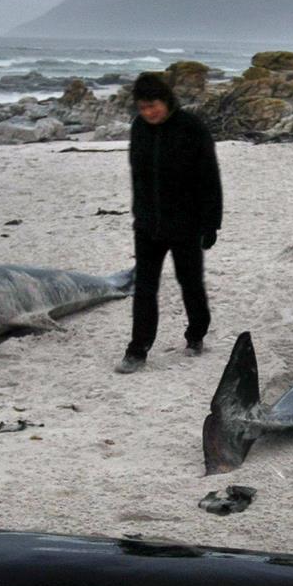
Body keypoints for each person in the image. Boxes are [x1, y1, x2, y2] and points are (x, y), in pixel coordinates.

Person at [117, 70, 223, 373]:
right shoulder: (138, 128)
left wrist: (211, 223)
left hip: (186, 224)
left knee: (189, 283)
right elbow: (137, 176)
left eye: (153, 106)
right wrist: (140, 214)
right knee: (145, 288)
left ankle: (196, 334)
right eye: (143, 107)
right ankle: (137, 350)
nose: (149, 113)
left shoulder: (192, 128)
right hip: (148, 225)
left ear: (166, 100)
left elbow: (210, 179)